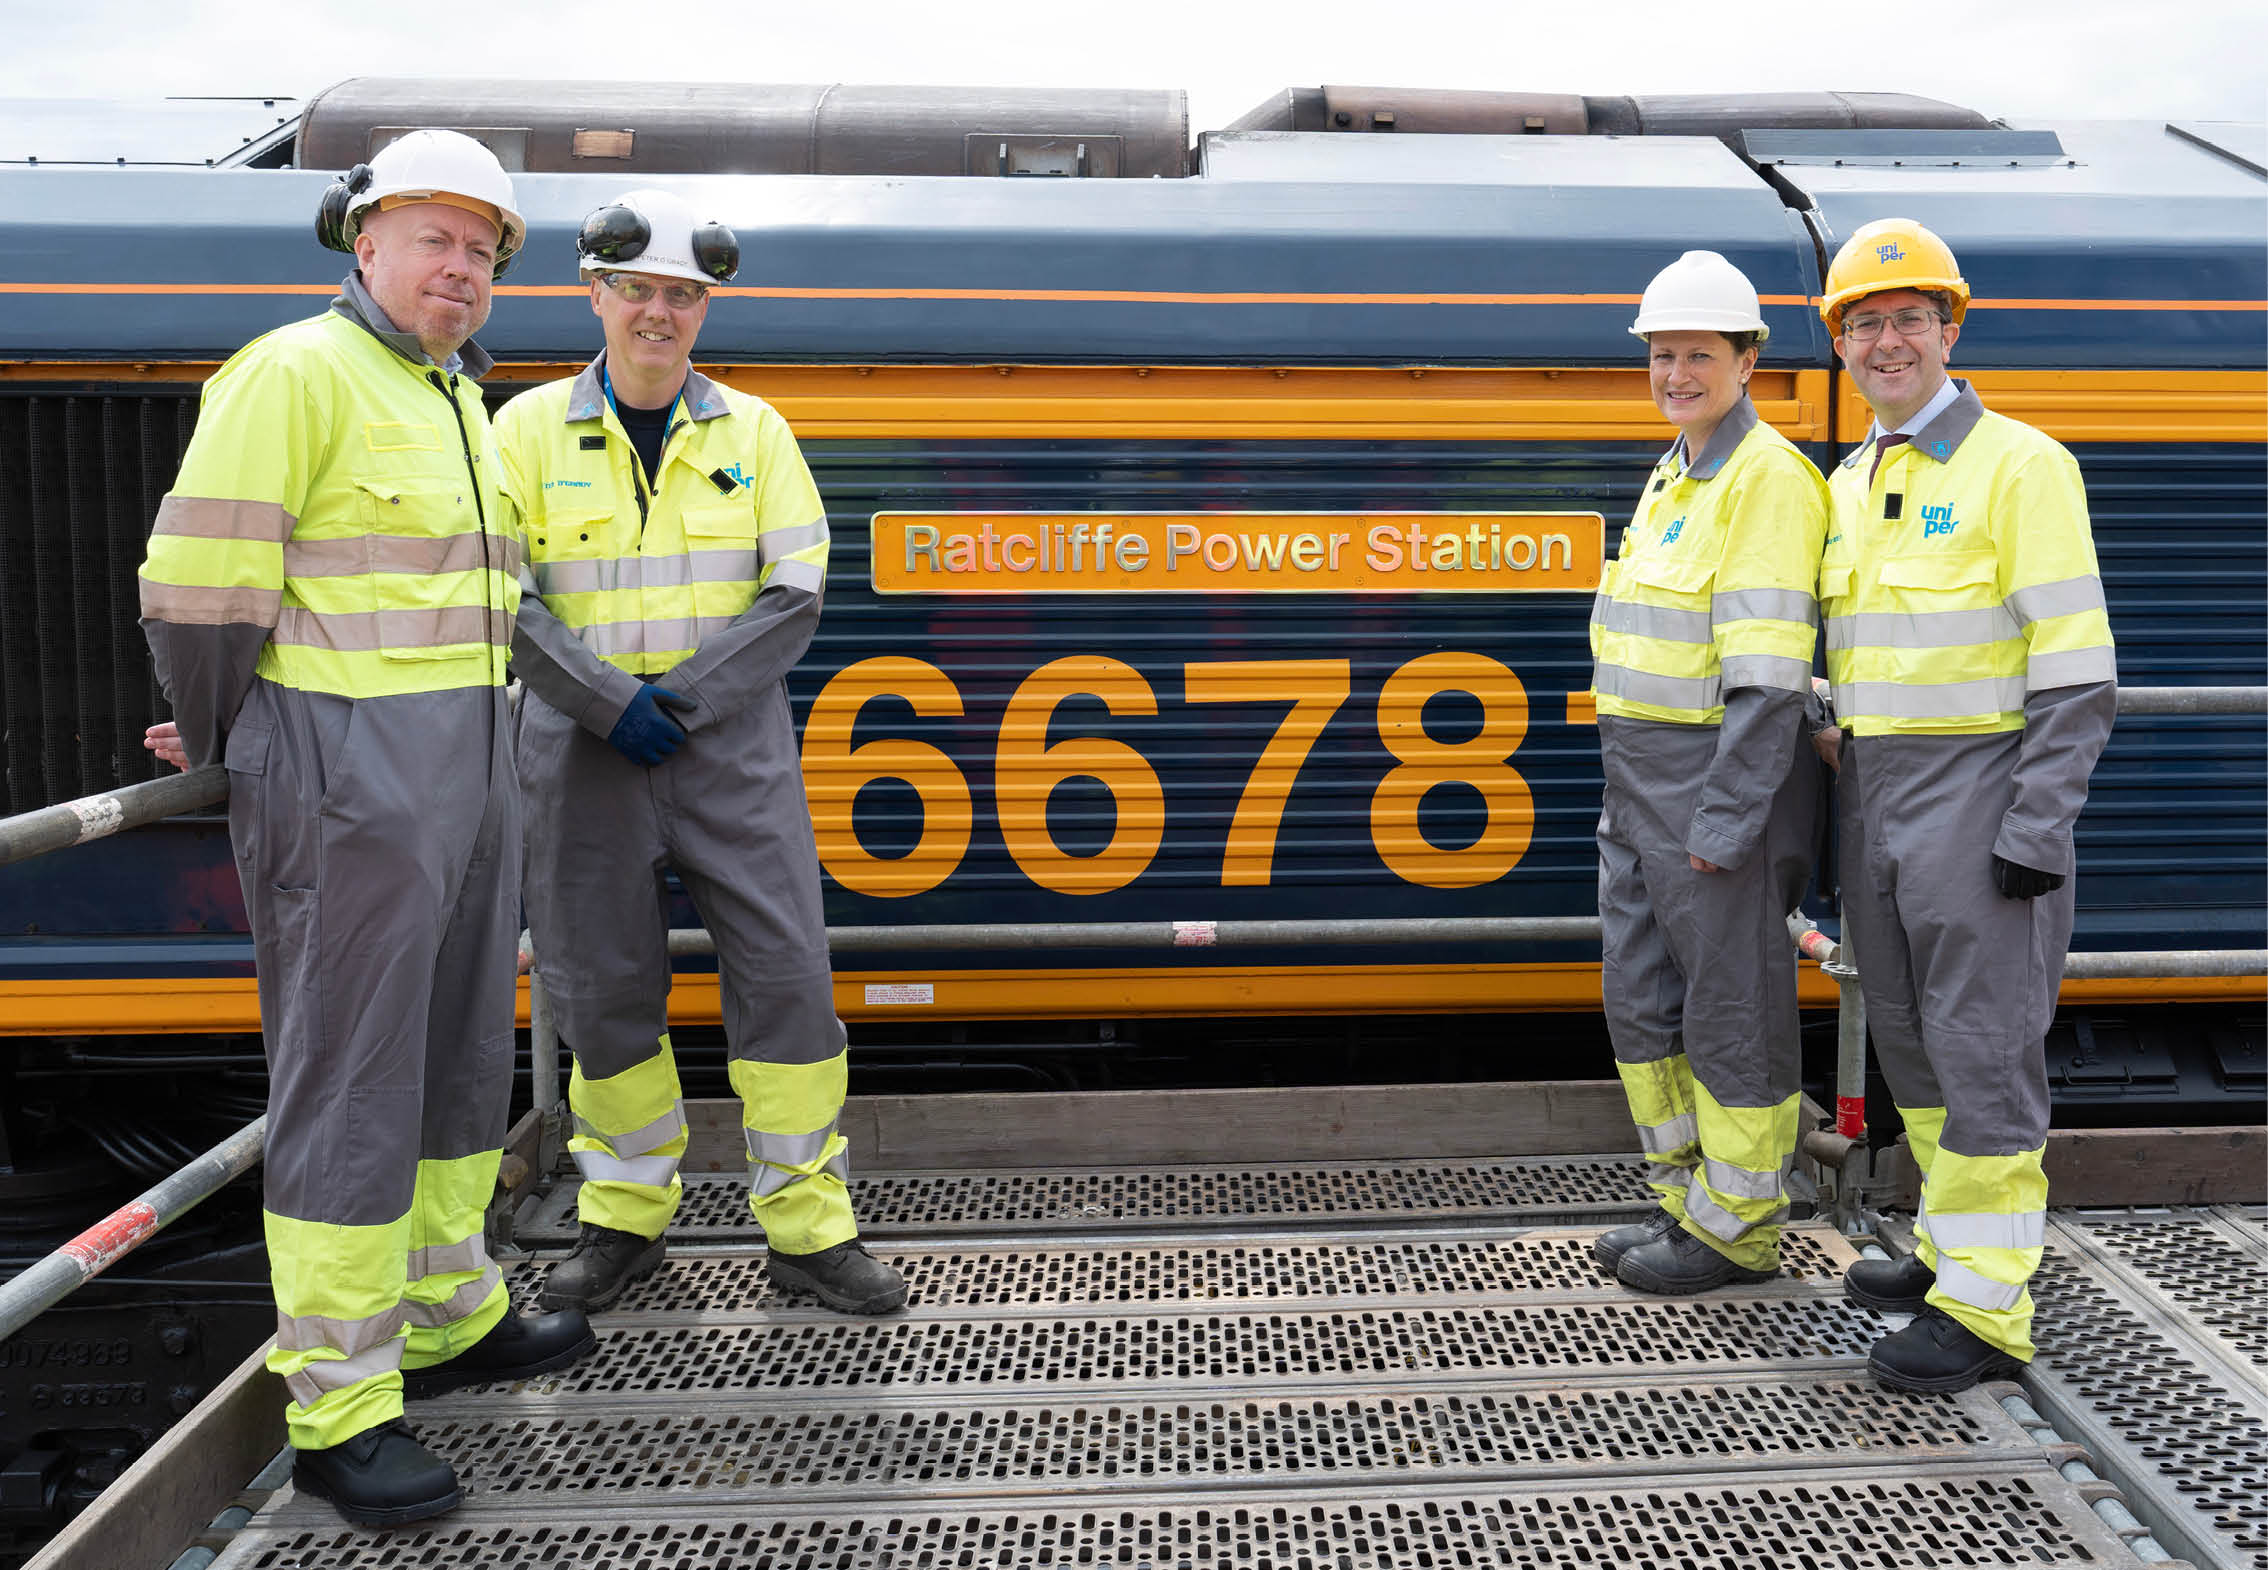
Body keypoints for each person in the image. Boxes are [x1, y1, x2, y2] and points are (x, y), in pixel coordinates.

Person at [135, 128, 596, 1527]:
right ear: (366, 241)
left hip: (465, 773)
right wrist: (238, 739)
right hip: (348, 781)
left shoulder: (454, 399)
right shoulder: (294, 373)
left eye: (482, 250)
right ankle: (339, 1409)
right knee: (350, 1084)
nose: (460, 267)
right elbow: (200, 588)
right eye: (434, 239)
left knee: (459, 1061)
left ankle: (447, 1312)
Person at [496, 189, 905, 1318]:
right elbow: (498, 592)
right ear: (596, 295)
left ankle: (810, 1230)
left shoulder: (756, 433)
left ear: (704, 310)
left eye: (682, 295)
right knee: (603, 993)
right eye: (637, 290)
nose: (659, 313)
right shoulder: (521, 432)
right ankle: (624, 1223)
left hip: (730, 754)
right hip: (581, 757)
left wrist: (676, 701)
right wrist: (605, 701)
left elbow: (797, 589)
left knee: (788, 981)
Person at [1812, 219, 2115, 1392]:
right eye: (1864, 323)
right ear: (1840, 344)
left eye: (1909, 319)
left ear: (1950, 330)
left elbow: (2076, 668)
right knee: (1911, 1039)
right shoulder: (1850, 482)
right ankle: (1952, 1251)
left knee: (1983, 1051)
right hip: (1875, 792)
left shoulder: (2021, 466)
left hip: (1979, 794)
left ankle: (1989, 1314)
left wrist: (2036, 824)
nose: (1887, 341)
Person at [1589, 251, 1830, 1295]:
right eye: (1662, 354)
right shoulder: (1676, 471)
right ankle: (1687, 1196)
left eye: (1698, 354)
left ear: (1747, 361)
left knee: (1733, 1007)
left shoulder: (1767, 479)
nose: (1676, 373)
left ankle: (1740, 1227)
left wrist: (1727, 820)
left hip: (1714, 779)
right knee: (1642, 992)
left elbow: (1769, 680)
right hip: (1638, 779)